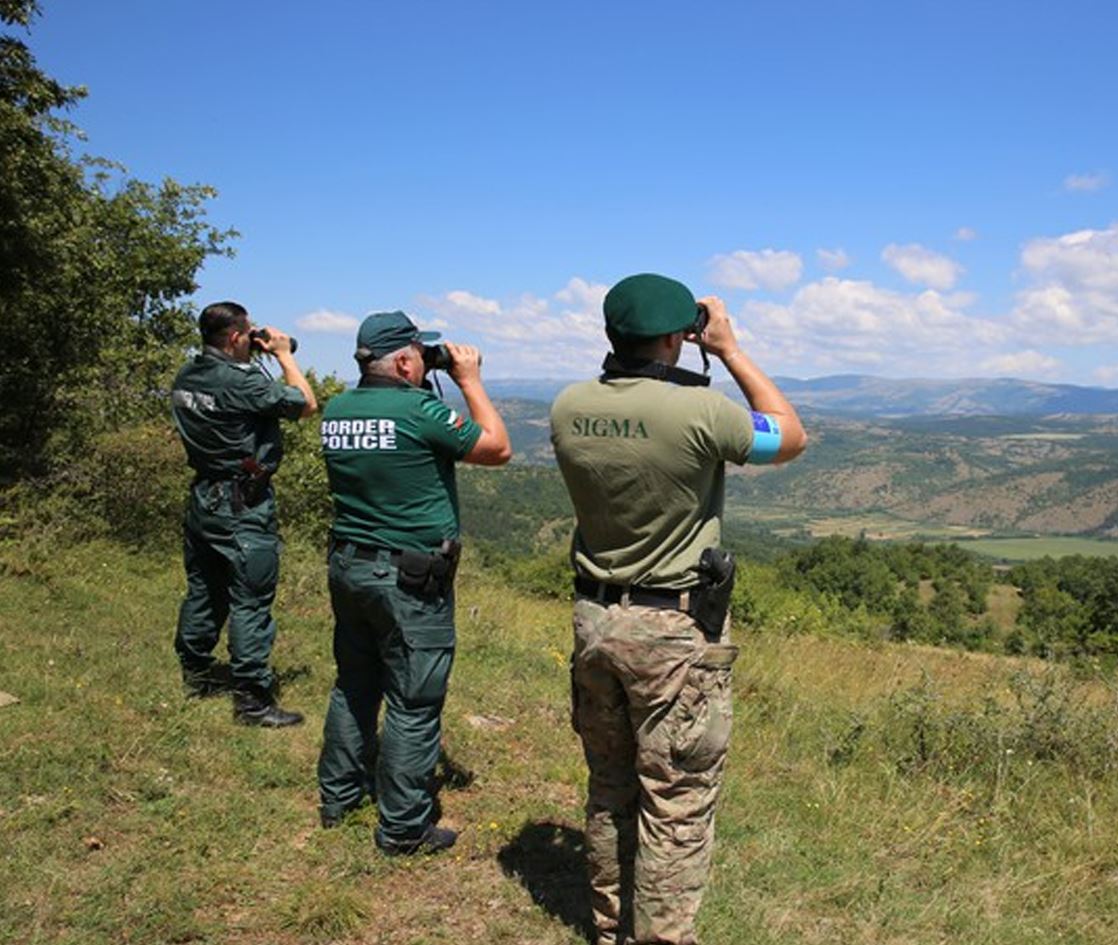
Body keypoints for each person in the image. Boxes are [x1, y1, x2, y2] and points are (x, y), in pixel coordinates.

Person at [550, 273, 807, 945]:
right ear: (677, 337)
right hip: (672, 627)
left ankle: (611, 927)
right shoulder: (701, 411)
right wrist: (729, 350)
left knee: (610, 784)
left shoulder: (568, 406)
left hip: (594, 619)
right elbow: (789, 436)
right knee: (676, 798)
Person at [316, 310, 511, 856]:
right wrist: (469, 380)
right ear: (404, 362)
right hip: (408, 578)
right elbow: (497, 448)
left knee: (354, 684)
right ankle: (403, 828)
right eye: (421, 355)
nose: (427, 362)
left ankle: (339, 798)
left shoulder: (337, 408)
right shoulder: (418, 410)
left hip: (350, 567)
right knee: (413, 701)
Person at [170, 301, 317, 727]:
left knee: (204, 588)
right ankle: (252, 701)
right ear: (235, 337)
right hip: (242, 503)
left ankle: (196, 676)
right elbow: (306, 404)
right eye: (248, 332)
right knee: (250, 597)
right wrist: (284, 355)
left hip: (204, 496)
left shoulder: (188, 374)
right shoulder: (243, 382)